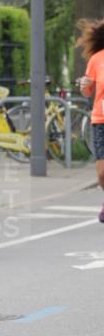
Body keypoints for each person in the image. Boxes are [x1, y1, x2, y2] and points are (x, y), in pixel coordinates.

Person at [76, 17, 104, 223]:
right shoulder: (97, 59)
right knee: (102, 173)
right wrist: (84, 84)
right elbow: (87, 91)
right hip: (100, 119)